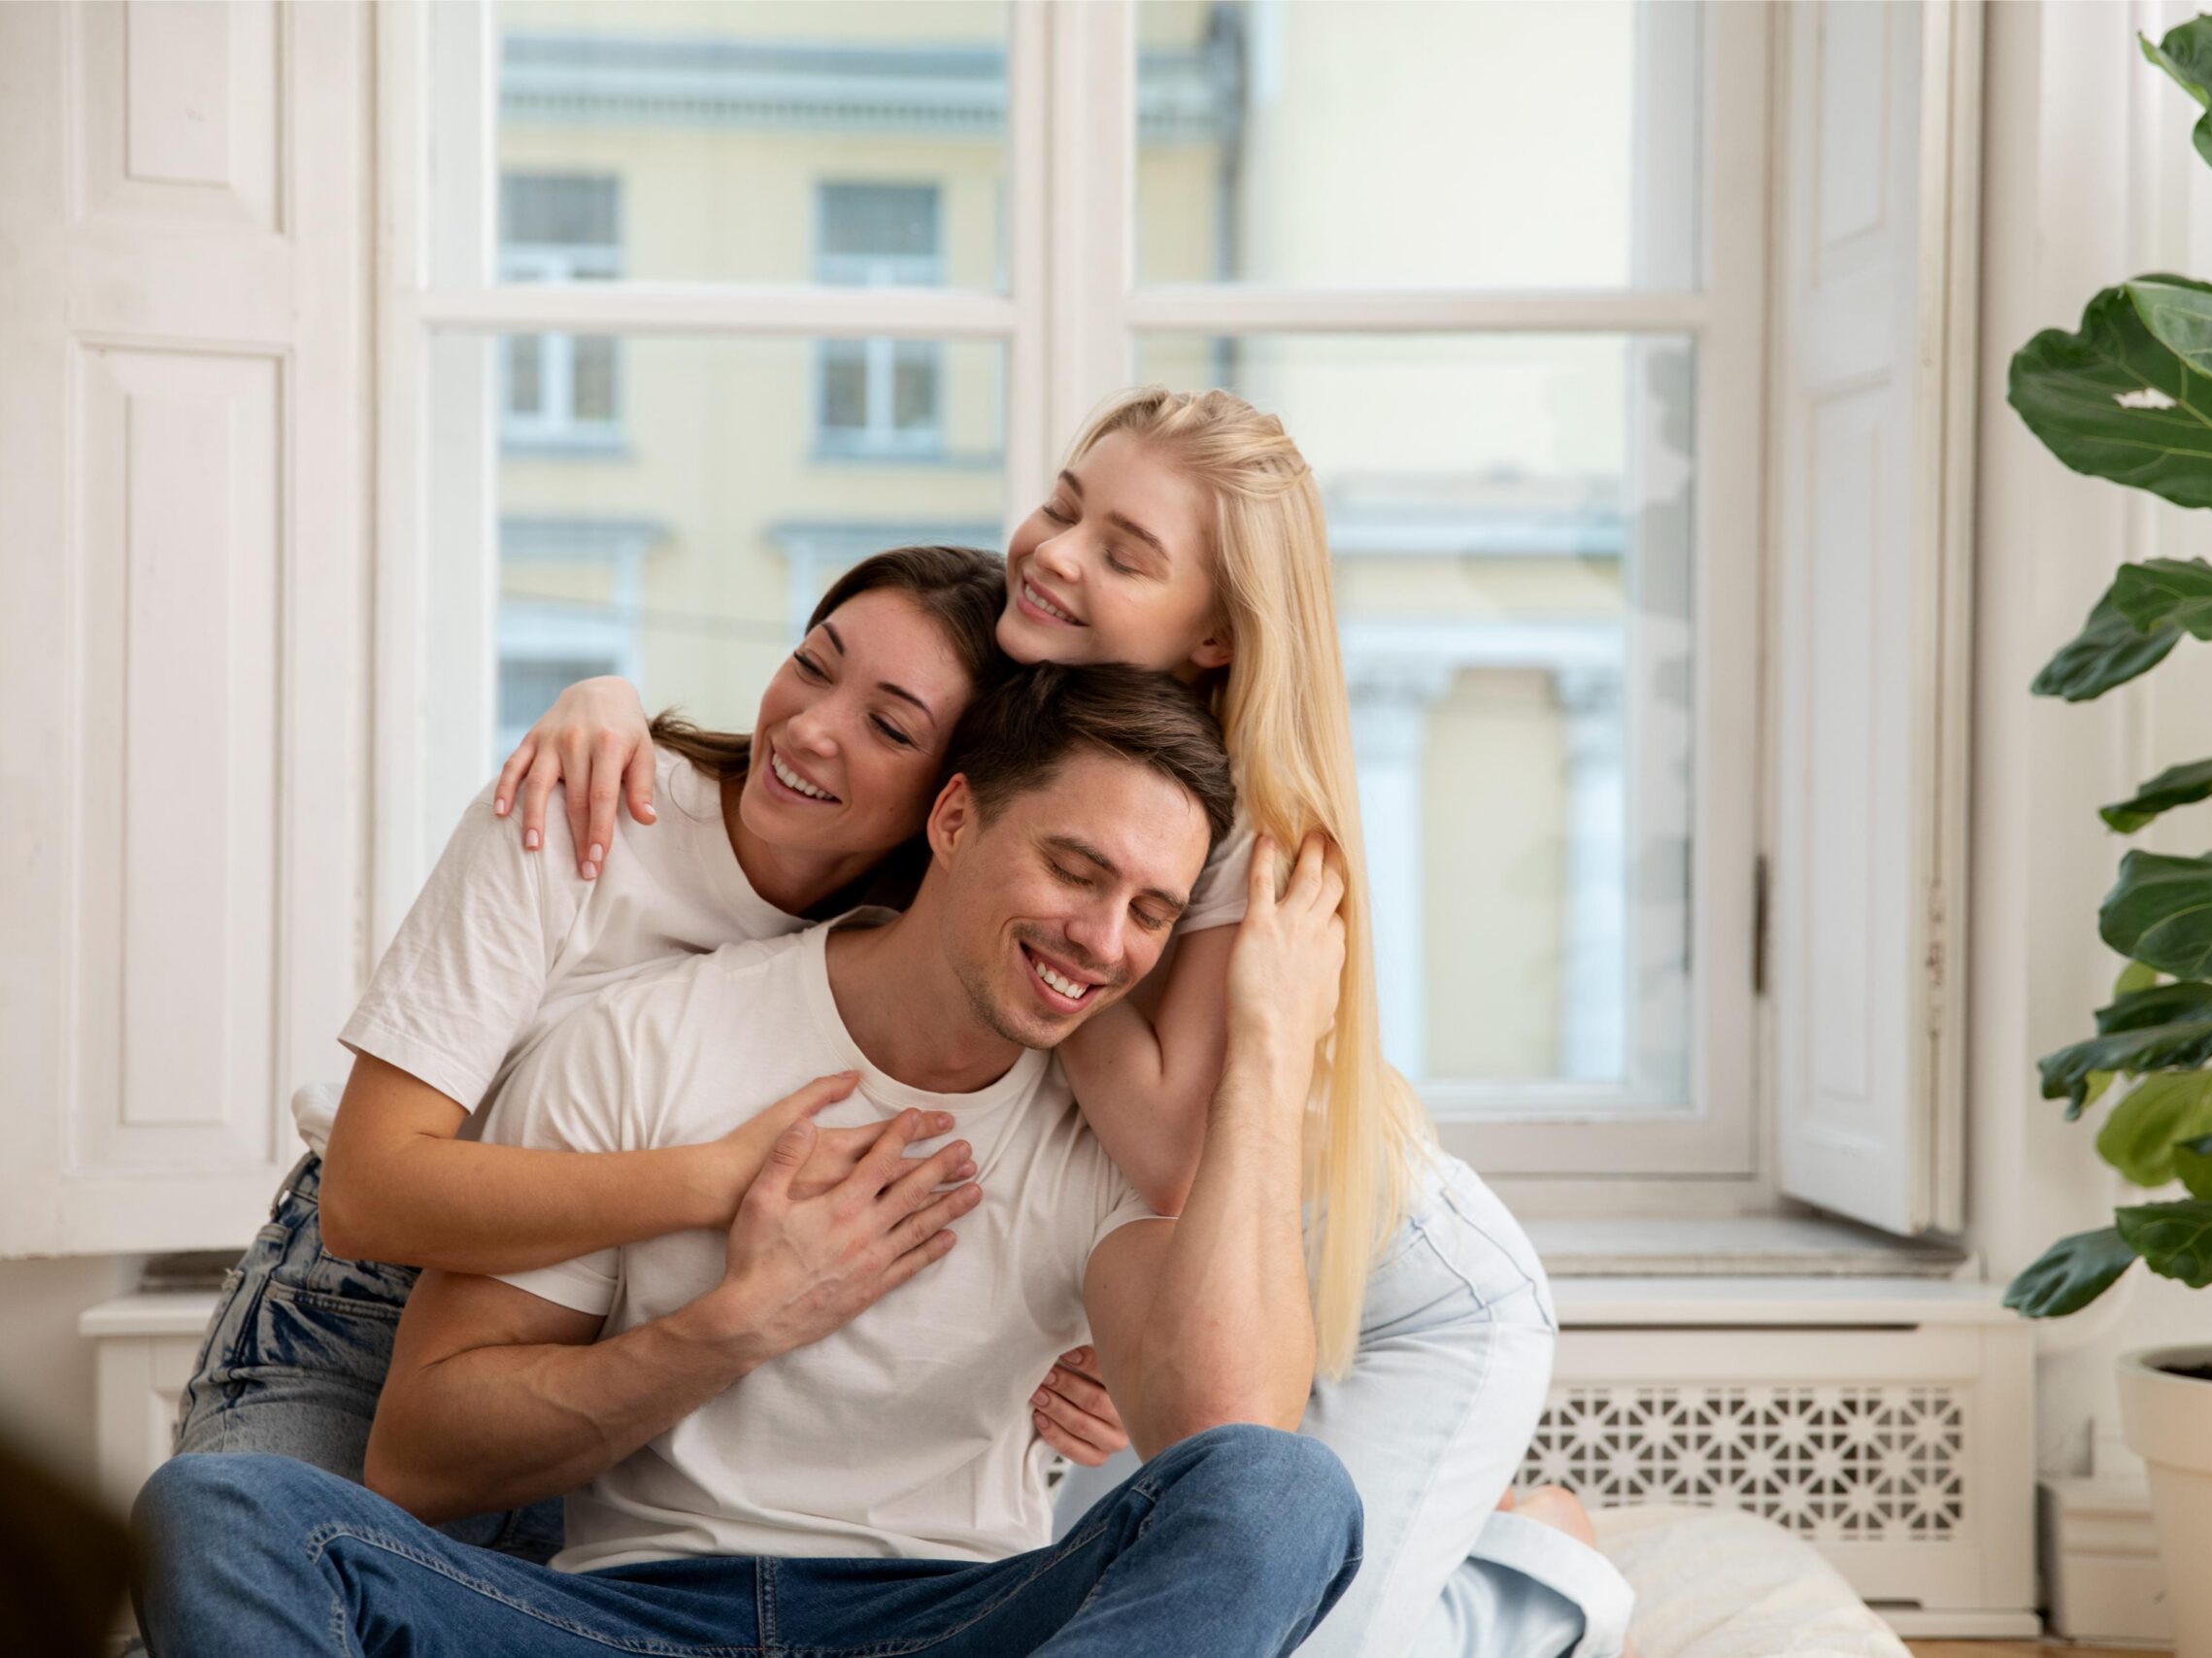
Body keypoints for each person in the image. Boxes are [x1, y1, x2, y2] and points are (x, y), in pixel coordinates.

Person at [504, 388, 1633, 1655]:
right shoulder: (1029, 688)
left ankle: (1536, 1581)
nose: (1054, 552)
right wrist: (608, 700)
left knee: (1286, 1629)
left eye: (1124, 553)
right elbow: (844, 744)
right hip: (1172, 1275)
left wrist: (1032, 947)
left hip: (1394, 1293)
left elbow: (1171, 1151)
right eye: (1063, 503)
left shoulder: (1241, 815)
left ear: (1216, 636)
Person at [133, 664, 1364, 1657]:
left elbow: (1231, 1442)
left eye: (1150, 911)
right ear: (952, 818)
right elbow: (424, 1454)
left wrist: (1265, 1048)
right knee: (219, 1512)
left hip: (954, 1621)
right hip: (631, 1618)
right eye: (1074, 870)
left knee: (1290, 1492)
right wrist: (733, 1329)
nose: (1101, 939)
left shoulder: (1109, 1126)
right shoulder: (651, 1037)